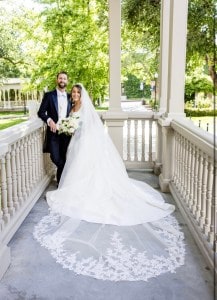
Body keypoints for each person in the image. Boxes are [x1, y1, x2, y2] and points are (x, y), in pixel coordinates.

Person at [34, 84, 185, 282]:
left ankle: (91, 192)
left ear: (82, 95)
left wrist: (72, 127)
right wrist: (68, 127)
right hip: (76, 143)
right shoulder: (72, 107)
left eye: (78, 92)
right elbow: (71, 123)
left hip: (85, 144)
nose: (76, 95)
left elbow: (88, 127)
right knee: (78, 171)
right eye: (74, 92)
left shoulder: (85, 107)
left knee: (89, 172)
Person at [38, 71, 72, 184]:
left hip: (67, 134)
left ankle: (60, 182)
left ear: (67, 81)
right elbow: (41, 112)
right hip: (53, 133)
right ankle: (64, 177)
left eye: (64, 78)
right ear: (57, 80)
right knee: (55, 158)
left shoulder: (70, 97)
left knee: (64, 156)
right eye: (60, 78)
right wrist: (49, 120)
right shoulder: (49, 95)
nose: (62, 80)